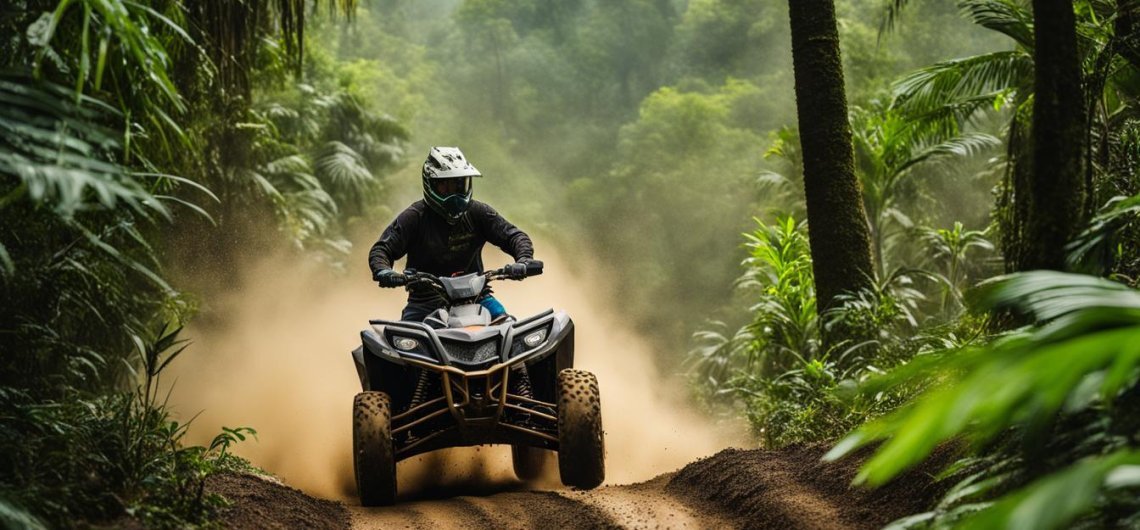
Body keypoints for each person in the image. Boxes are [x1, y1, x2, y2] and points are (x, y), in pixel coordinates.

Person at [368, 146, 537, 322]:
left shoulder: (478, 212)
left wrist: (524, 260)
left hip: (478, 297)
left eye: (458, 184)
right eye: (445, 186)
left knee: (509, 331)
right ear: (430, 184)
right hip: (424, 302)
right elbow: (382, 249)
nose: (454, 193)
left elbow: (514, 236)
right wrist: (385, 272)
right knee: (400, 344)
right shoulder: (414, 217)